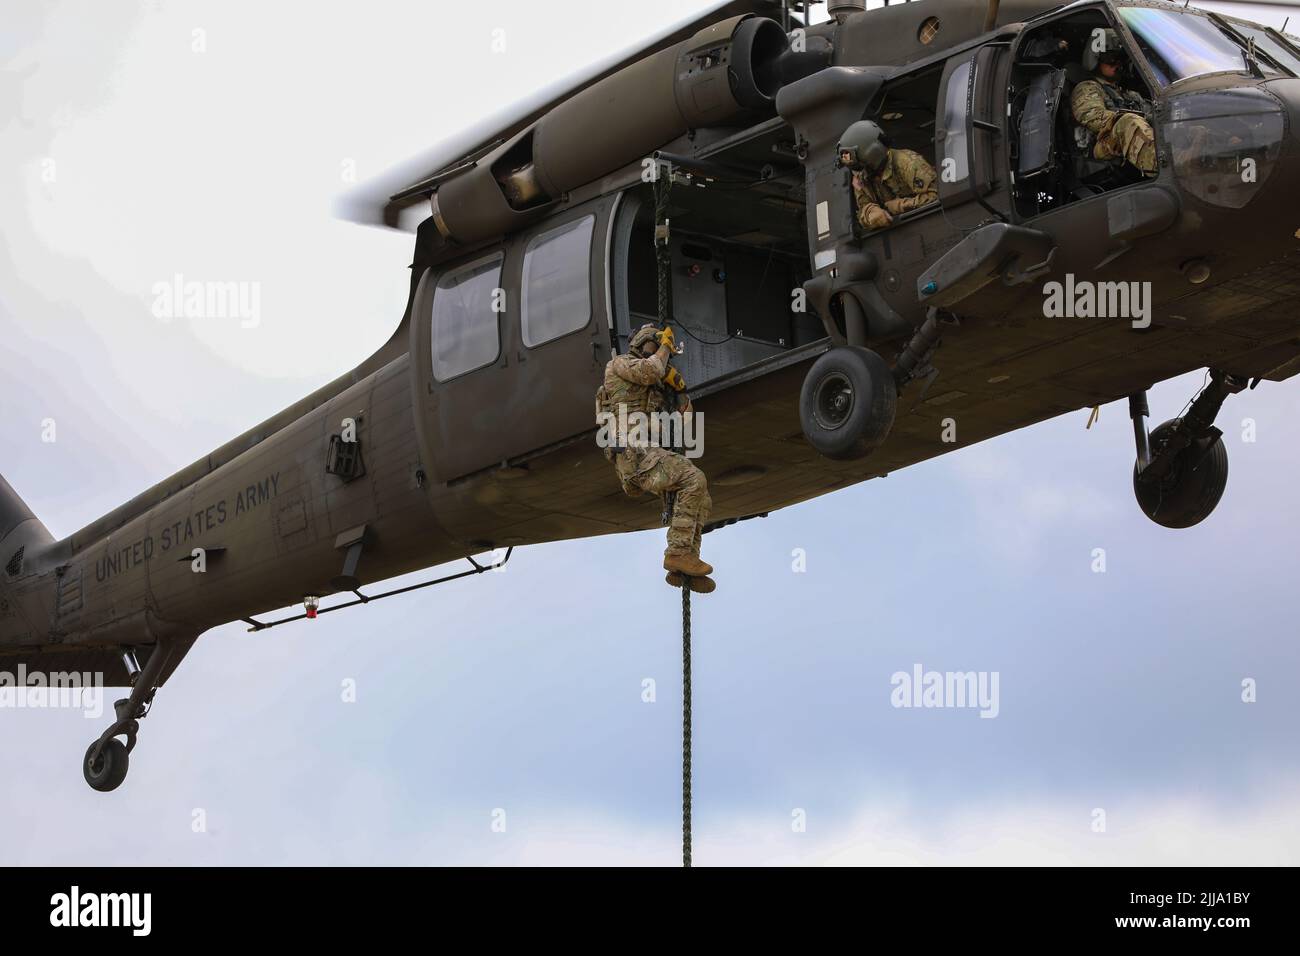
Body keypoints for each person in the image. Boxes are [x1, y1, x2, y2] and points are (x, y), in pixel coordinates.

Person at [596, 324, 714, 591]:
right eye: (654, 345)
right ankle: (678, 553)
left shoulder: (655, 388)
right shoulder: (619, 365)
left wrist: (680, 393)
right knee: (693, 478)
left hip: (648, 454)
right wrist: (664, 348)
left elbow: (683, 422)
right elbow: (651, 370)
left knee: (701, 496)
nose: (661, 352)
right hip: (633, 454)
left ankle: (685, 560)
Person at [1071, 30, 1156, 176]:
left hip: (1124, 139)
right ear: (1096, 60)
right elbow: (1092, 117)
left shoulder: (1129, 94)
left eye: (1120, 59)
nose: (1117, 64)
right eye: (1111, 59)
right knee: (1128, 121)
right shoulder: (1087, 88)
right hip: (1101, 144)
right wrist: (1132, 118)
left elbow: (1154, 114)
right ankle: (1159, 165)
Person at [839, 119, 938, 233]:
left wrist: (898, 206)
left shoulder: (908, 163)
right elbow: (862, 208)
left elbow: (935, 195)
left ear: (872, 156)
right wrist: (870, 213)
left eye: (859, 165)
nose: (858, 172)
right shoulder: (862, 176)